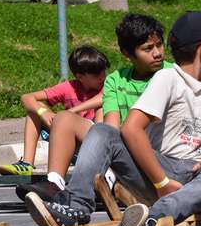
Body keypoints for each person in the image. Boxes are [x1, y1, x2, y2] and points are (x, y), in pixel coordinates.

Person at [24, 11, 201, 226]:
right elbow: (131, 129)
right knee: (104, 132)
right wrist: (162, 182)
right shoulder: (167, 78)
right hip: (164, 171)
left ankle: (155, 217)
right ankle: (75, 207)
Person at [16, 14, 171, 201]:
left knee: (106, 125)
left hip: (158, 159)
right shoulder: (115, 79)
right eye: (148, 48)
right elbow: (111, 130)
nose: (157, 53)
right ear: (127, 53)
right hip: (125, 154)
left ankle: (86, 196)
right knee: (65, 118)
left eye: (159, 45)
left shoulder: (172, 75)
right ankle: (55, 184)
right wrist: (46, 112)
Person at [0, 46, 109, 176]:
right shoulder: (69, 87)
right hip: (70, 142)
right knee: (35, 108)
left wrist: (70, 112)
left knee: (101, 109)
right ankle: (27, 164)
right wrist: (43, 113)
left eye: (103, 72)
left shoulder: (107, 84)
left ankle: (99, 160)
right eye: (97, 74)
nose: (102, 76)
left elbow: (102, 98)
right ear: (80, 76)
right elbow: (27, 97)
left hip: (93, 140)